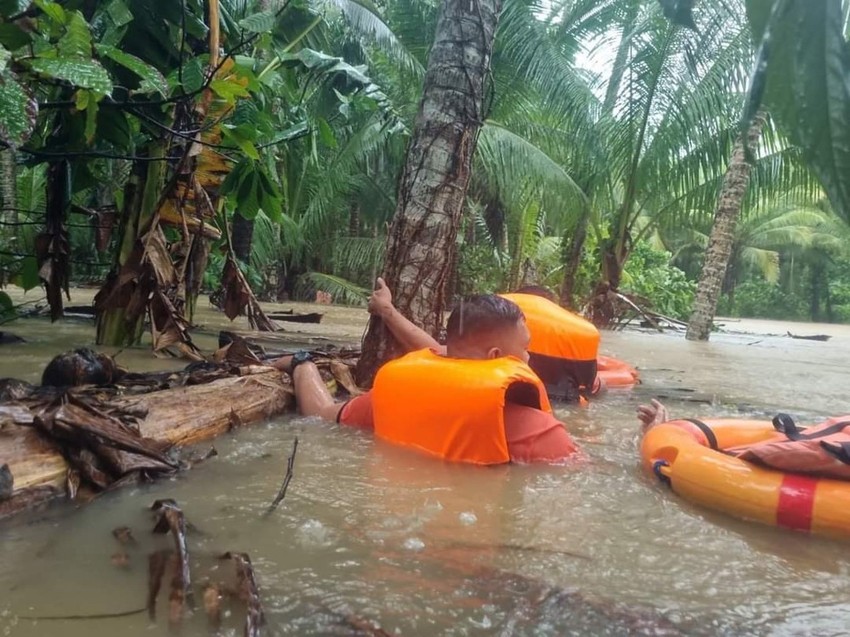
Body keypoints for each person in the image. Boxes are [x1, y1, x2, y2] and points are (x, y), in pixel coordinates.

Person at [271, 281, 582, 464]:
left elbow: (319, 413)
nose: (528, 356)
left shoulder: (393, 397)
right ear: (495, 357)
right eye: (526, 347)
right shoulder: (541, 433)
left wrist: (303, 363)